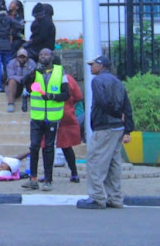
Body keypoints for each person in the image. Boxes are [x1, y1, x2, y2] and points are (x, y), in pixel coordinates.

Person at [77, 55, 134, 209]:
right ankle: (115, 198)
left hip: (105, 127)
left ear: (101, 66)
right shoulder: (117, 81)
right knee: (113, 163)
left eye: (93, 64)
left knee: (95, 160)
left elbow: (103, 102)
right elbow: (127, 106)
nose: (90, 67)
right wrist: (127, 127)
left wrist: (115, 113)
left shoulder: (98, 81)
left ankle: (96, 197)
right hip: (117, 128)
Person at [21, 48, 69, 192]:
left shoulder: (60, 72)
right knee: (34, 146)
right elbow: (25, 85)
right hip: (37, 117)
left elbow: (66, 94)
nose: (43, 57)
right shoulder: (35, 71)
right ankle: (33, 179)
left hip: (52, 118)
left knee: (48, 148)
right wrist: (33, 72)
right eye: (41, 54)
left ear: (52, 57)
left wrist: (52, 96)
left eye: (46, 54)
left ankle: (48, 180)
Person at [40, 59, 82, 183]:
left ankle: (48, 176)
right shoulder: (68, 78)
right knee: (66, 145)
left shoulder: (43, 78)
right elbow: (78, 96)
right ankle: (74, 173)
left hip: (48, 115)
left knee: (47, 146)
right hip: (66, 114)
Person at [6, 47, 36, 112]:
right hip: (17, 84)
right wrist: (22, 78)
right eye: (20, 57)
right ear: (17, 57)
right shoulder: (11, 63)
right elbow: (10, 75)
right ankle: (10, 103)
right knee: (11, 81)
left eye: (24, 57)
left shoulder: (32, 63)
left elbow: (34, 74)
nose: (22, 59)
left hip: (28, 84)